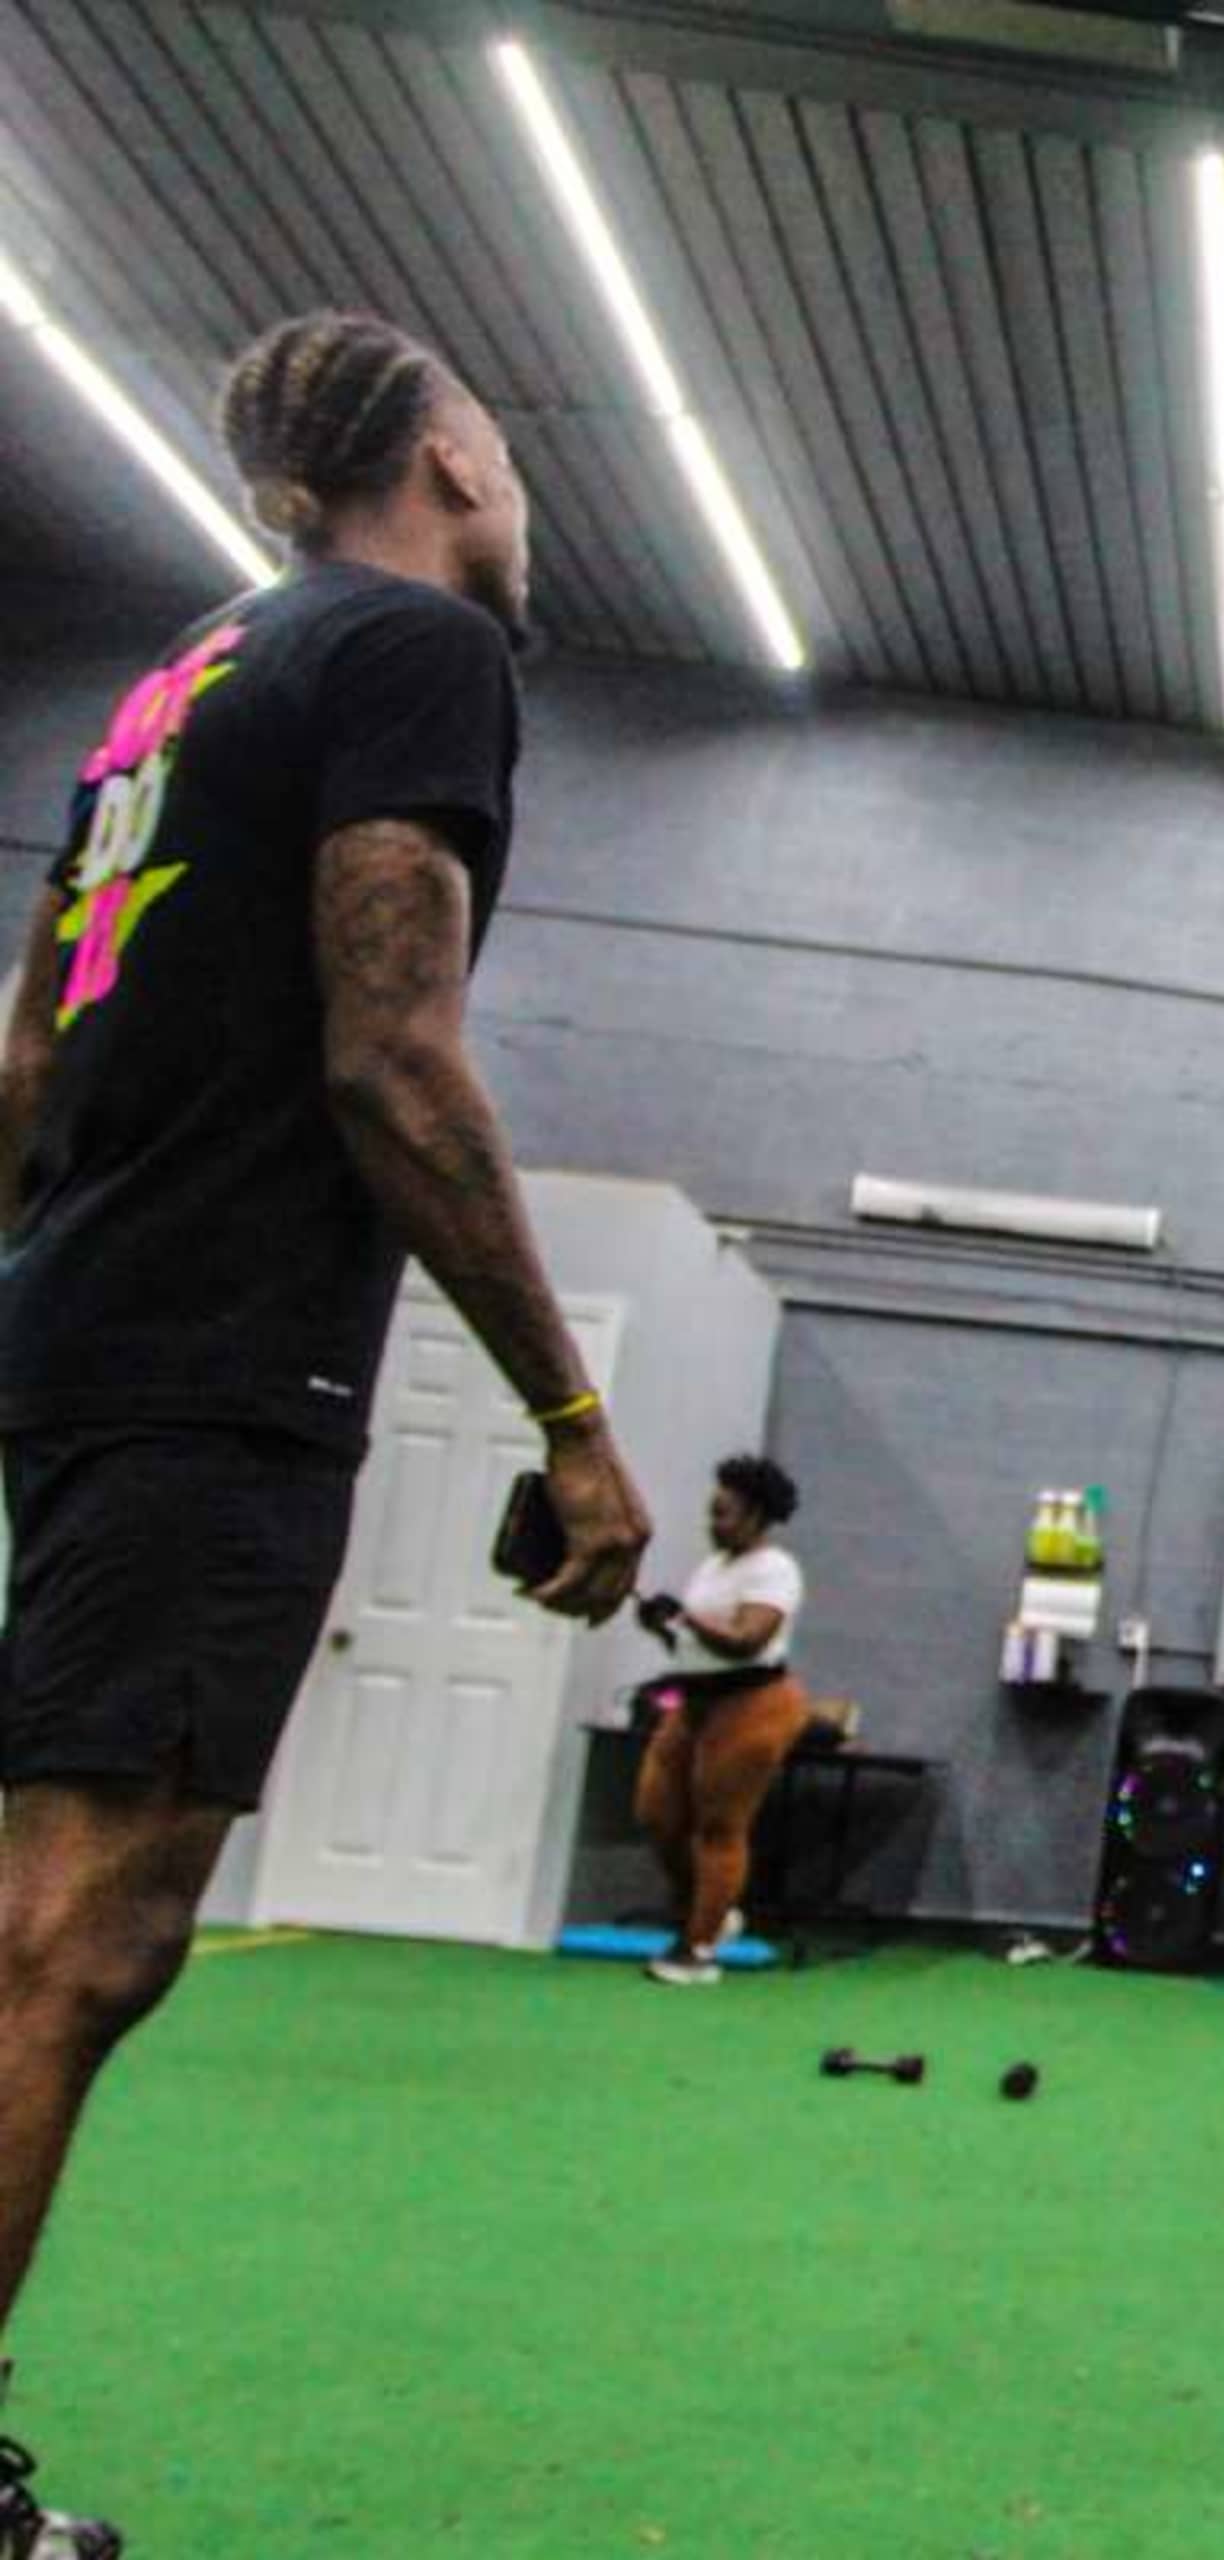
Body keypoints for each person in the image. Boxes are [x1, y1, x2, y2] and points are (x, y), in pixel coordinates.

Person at [0, 309, 650, 2557]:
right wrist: (574, 1413)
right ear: (455, 453)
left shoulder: (169, 689)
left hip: (77, 1327)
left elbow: (23, 1059)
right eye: (511, 447)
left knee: (36, 1910)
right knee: (81, 1937)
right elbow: (396, 1048)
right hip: (213, 1348)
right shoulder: (414, 647)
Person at [629, 1454, 810, 1989]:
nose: (713, 1523)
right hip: (694, 1702)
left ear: (756, 1516)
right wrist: (663, 1626)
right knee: (656, 1813)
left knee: (719, 1827)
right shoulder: (713, 1568)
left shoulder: (775, 1570)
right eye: (712, 1512)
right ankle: (710, 1912)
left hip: (754, 1704)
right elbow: (697, 1643)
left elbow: (746, 1640)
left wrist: (686, 1619)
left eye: (724, 1514)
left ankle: (699, 1949)